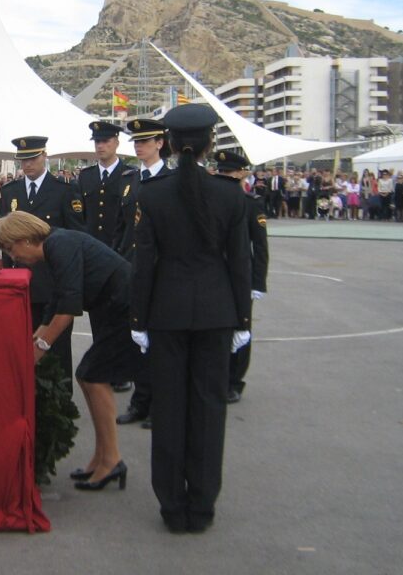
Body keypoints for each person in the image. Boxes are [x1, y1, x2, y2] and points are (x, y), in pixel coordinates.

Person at [130, 104, 251, 534]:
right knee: (208, 409)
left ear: (171, 143)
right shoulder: (230, 193)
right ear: (209, 143)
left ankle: (171, 504)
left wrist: (139, 318)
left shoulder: (153, 194)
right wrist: (242, 318)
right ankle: (201, 505)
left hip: (167, 312)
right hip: (217, 313)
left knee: (169, 408)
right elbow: (240, 262)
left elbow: (145, 262)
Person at [0, 212, 145, 491]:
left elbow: (68, 309)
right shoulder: (56, 245)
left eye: (11, 249)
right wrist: (35, 336)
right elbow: (56, 301)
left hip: (125, 307)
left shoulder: (59, 245)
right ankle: (102, 458)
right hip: (114, 306)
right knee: (89, 375)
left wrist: (37, 352)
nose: (13, 257)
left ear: (25, 239)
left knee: (93, 375)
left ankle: (111, 460)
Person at [0, 136, 84, 390]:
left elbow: (75, 237)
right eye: (23, 160)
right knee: (22, 346)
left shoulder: (64, 190)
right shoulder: (10, 192)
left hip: (52, 284)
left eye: (32, 158)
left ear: (44, 156)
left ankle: (60, 401)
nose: (27, 165)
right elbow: (4, 240)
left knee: (57, 348)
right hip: (19, 284)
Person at [112, 117, 172, 428]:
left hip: (160, 271)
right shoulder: (129, 180)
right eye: (136, 141)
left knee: (159, 342)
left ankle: (159, 405)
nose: (139, 146)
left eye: (145, 141)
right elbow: (122, 227)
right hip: (131, 267)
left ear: (160, 144)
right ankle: (140, 401)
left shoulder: (170, 181)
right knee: (134, 336)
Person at [213, 151, 269, 403]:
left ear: (241, 174)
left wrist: (258, 283)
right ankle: (217, 377)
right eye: (221, 172)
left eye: (229, 173)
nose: (225, 177)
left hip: (242, 276)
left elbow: (260, 245)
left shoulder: (251, 202)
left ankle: (234, 381)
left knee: (241, 328)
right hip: (216, 274)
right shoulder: (212, 199)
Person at [77, 120, 126, 248]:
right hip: (90, 247)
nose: (100, 146)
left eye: (105, 141)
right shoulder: (85, 176)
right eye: (97, 141)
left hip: (118, 248)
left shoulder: (128, 175)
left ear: (116, 143)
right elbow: (80, 216)